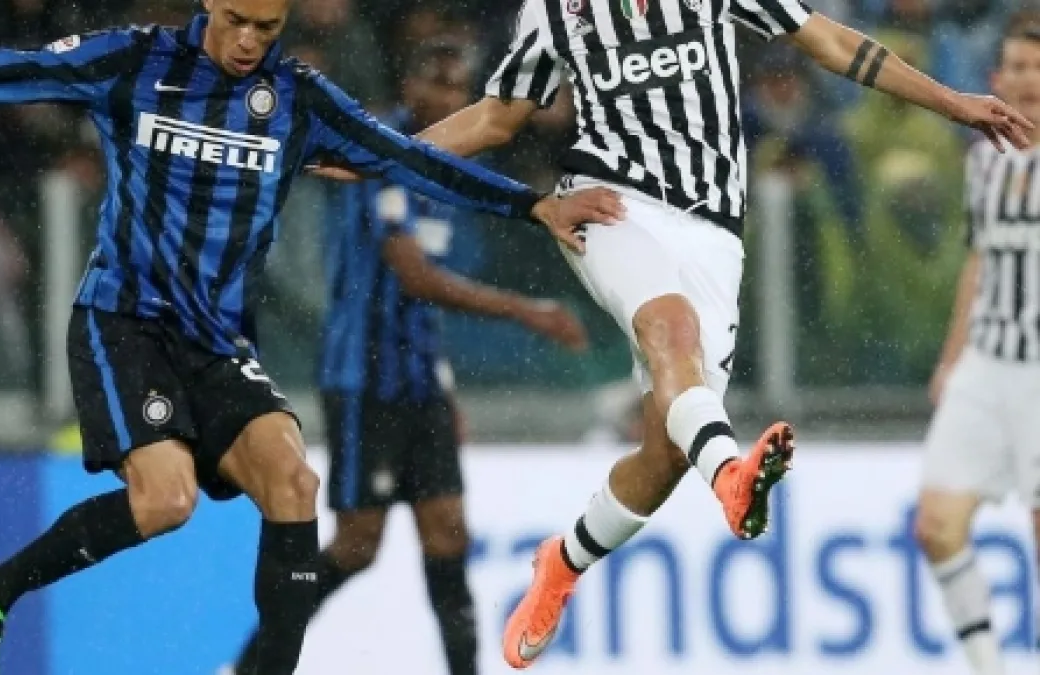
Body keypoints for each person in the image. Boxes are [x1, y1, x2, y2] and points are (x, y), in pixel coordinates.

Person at [0, 1, 622, 673]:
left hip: (215, 339)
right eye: (239, 21)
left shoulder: (298, 99)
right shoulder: (135, 62)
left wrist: (531, 205)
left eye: (268, 27)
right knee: (166, 500)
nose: (250, 41)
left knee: (293, 483)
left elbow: (407, 160)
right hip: (127, 321)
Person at [313, 0, 1033, 668]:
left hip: (714, 232)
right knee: (671, 326)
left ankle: (564, 561)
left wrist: (953, 102)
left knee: (662, 452)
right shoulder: (555, 10)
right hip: (609, 205)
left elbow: (830, 42)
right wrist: (384, 152)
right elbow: (498, 117)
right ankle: (731, 474)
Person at [230, 41, 590, 675]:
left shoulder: (448, 162)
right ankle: (249, 664)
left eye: (457, 87)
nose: (447, 98)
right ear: (409, 85)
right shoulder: (384, 152)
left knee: (449, 534)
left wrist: (443, 387)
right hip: (363, 377)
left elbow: (420, 300)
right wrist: (527, 311)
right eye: (435, 82)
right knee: (357, 545)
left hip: (420, 380)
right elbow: (415, 275)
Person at [915, 19, 1040, 675]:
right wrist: (951, 356)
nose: (1026, 78)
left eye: (1036, 66)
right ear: (997, 78)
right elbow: (978, 258)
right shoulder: (983, 158)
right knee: (935, 526)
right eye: (1015, 66)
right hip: (987, 364)